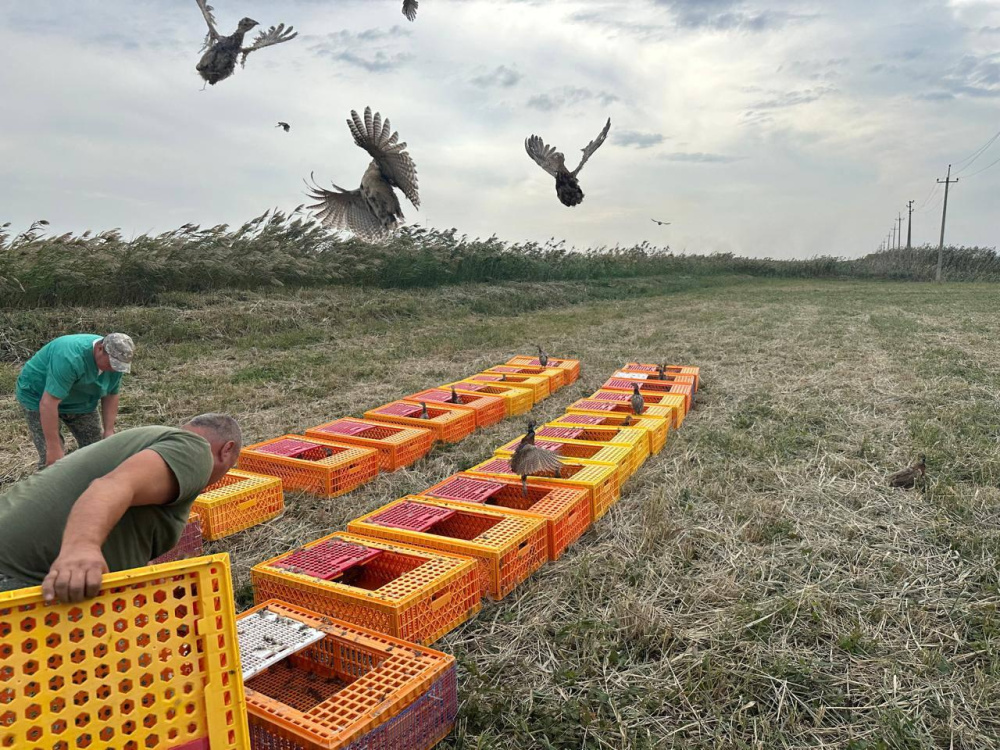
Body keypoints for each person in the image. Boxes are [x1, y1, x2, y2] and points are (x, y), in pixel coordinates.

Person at [0, 413, 241, 603]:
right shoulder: (196, 451)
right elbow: (111, 487)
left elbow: (127, 518)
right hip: (20, 576)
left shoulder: (149, 445)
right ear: (226, 449)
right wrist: (81, 548)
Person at [15, 332, 136, 468]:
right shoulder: (70, 357)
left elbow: (111, 394)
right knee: (53, 461)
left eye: (118, 366)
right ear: (100, 348)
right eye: (112, 363)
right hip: (38, 395)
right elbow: (48, 403)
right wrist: (54, 448)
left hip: (80, 400)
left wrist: (109, 430)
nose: (114, 369)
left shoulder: (116, 363)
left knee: (97, 451)